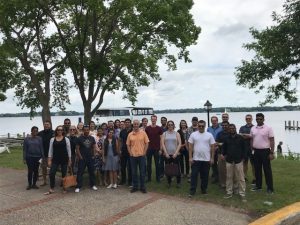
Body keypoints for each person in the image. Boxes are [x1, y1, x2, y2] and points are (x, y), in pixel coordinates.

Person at [188, 120, 215, 196]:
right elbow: (190, 146)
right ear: (197, 126)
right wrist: (190, 157)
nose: (201, 127)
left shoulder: (209, 135)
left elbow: (212, 147)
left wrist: (212, 158)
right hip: (196, 159)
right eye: (199, 126)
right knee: (194, 175)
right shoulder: (193, 134)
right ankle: (192, 191)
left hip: (206, 159)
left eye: (202, 126)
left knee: (205, 176)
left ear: (205, 126)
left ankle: (204, 190)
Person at [250, 113, 275, 194]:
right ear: (255, 119)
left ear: (263, 119)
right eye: (257, 119)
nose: (259, 120)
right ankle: (258, 186)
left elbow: (272, 140)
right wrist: (252, 148)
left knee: (267, 170)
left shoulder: (268, 128)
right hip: (256, 151)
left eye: (260, 119)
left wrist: (271, 152)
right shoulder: (253, 128)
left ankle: (270, 188)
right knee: (257, 170)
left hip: (265, 151)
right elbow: (251, 139)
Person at [222, 124, 246, 200]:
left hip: (238, 160)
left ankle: (242, 193)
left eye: (233, 128)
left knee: (241, 178)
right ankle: (229, 192)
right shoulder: (226, 138)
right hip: (229, 160)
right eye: (230, 128)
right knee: (229, 177)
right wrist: (223, 155)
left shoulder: (240, 138)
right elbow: (223, 148)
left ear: (235, 129)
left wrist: (243, 158)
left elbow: (245, 148)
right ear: (228, 129)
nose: (232, 129)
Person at [46, 125, 72, 195]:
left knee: (64, 174)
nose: (59, 131)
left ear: (63, 131)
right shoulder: (52, 139)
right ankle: (52, 188)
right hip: (55, 159)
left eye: (61, 130)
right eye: (58, 130)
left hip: (64, 159)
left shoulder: (66, 139)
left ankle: (64, 188)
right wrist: (49, 160)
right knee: (52, 173)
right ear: (56, 131)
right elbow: (50, 150)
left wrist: (70, 160)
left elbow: (69, 150)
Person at [126, 119, 149, 193]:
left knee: (142, 172)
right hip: (133, 156)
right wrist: (130, 153)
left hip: (141, 156)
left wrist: (144, 152)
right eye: (134, 124)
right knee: (134, 172)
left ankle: (142, 187)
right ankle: (135, 187)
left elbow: (147, 143)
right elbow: (128, 144)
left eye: (137, 124)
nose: (136, 125)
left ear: (139, 125)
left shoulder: (143, 133)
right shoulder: (130, 134)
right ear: (133, 125)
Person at [75, 125, 98, 193]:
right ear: (83, 130)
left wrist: (93, 155)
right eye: (85, 130)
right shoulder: (79, 138)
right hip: (82, 158)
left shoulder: (92, 138)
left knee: (92, 172)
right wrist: (80, 157)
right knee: (80, 172)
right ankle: (78, 186)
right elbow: (77, 148)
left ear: (89, 130)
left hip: (90, 158)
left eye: (87, 129)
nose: (86, 131)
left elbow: (94, 147)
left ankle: (93, 184)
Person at [161, 120, 182, 188]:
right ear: (167, 126)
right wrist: (166, 153)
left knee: (177, 169)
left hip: (175, 154)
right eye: (169, 125)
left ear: (173, 125)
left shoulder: (177, 133)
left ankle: (178, 182)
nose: (170, 126)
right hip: (167, 154)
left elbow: (179, 144)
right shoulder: (164, 134)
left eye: (171, 125)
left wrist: (176, 153)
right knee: (168, 169)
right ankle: (169, 182)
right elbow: (163, 144)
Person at [145, 115, 163, 183]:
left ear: (156, 120)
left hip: (157, 149)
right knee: (148, 164)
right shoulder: (147, 128)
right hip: (149, 148)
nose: (153, 120)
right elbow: (145, 139)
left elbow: (161, 139)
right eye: (152, 119)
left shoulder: (159, 128)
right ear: (151, 119)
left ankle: (158, 178)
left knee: (157, 164)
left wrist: (161, 149)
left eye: (154, 119)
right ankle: (149, 178)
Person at [239, 114, 255, 184]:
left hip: (252, 148)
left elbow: (255, 136)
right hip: (244, 148)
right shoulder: (242, 127)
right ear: (245, 119)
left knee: (253, 164)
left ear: (252, 119)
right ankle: (244, 177)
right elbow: (239, 136)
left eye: (249, 118)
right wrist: (249, 136)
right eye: (247, 119)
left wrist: (245, 135)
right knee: (244, 163)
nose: (248, 120)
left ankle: (255, 177)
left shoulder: (255, 127)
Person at [38, 120, 54, 186]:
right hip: (43, 154)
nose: (46, 125)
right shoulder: (40, 133)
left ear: (50, 125)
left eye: (47, 124)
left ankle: (52, 181)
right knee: (44, 168)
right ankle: (44, 181)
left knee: (52, 169)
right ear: (43, 125)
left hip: (52, 154)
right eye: (45, 124)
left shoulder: (54, 132)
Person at [207, 116, 223, 184]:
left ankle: (221, 176)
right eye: (212, 121)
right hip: (211, 148)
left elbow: (222, 138)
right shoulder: (208, 129)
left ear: (217, 121)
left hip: (219, 148)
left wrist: (217, 146)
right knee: (213, 163)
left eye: (215, 121)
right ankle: (216, 177)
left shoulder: (221, 128)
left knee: (220, 163)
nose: (214, 122)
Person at [215, 121, 230, 188]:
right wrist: (219, 144)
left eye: (226, 125)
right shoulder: (219, 134)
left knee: (229, 170)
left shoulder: (231, 133)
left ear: (228, 126)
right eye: (223, 125)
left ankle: (229, 183)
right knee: (221, 170)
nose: (224, 126)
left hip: (230, 154)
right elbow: (216, 143)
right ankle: (222, 183)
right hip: (220, 154)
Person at [119, 118, 133, 186]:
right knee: (122, 167)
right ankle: (123, 180)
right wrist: (120, 150)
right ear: (124, 123)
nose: (127, 123)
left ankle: (130, 181)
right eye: (126, 122)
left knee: (130, 167)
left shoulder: (133, 131)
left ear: (130, 123)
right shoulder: (122, 131)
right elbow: (120, 141)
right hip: (124, 151)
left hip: (131, 151)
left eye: (128, 122)